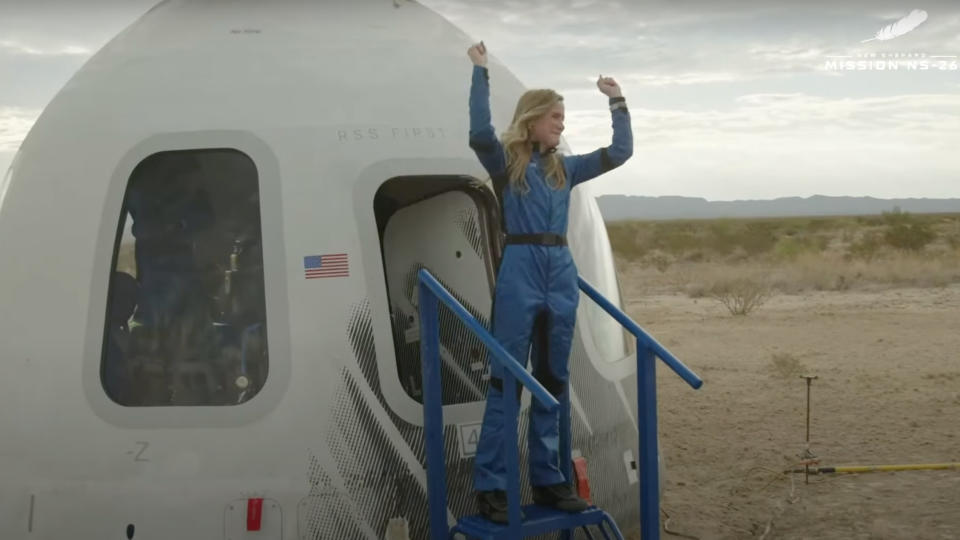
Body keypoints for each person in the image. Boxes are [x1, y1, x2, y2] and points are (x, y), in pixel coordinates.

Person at [466, 41, 633, 523]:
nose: (561, 122)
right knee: (505, 381)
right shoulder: (507, 165)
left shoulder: (568, 168)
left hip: (560, 269)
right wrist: (481, 73)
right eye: (555, 115)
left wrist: (616, 100)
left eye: (563, 116)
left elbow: (621, 151)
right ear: (532, 118)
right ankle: (492, 486)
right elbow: (479, 133)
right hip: (520, 268)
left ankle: (550, 480)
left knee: (553, 381)